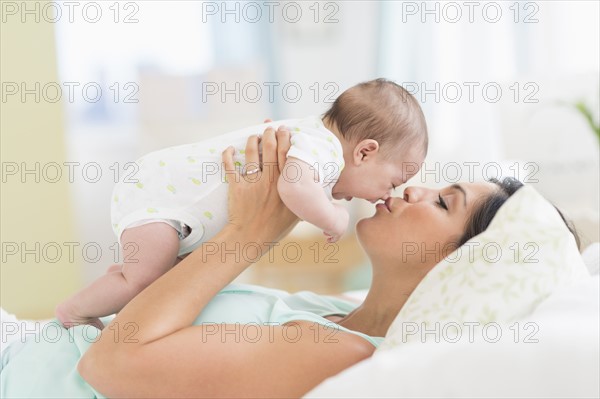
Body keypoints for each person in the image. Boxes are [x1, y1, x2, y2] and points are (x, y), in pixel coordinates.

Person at [1, 128, 579, 398]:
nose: (413, 189)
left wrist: (255, 229)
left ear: (462, 264)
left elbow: (112, 367)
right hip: (26, 344)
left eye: (444, 201)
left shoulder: (347, 356)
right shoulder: (340, 315)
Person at [55, 78, 428, 329]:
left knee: (165, 279)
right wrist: (333, 217)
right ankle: (74, 311)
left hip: (161, 197)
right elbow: (296, 189)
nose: (387, 195)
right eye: (393, 182)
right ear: (365, 152)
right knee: (144, 282)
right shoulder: (325, 149)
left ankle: (117, 278)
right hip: (160, 199)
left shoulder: (311, 134)